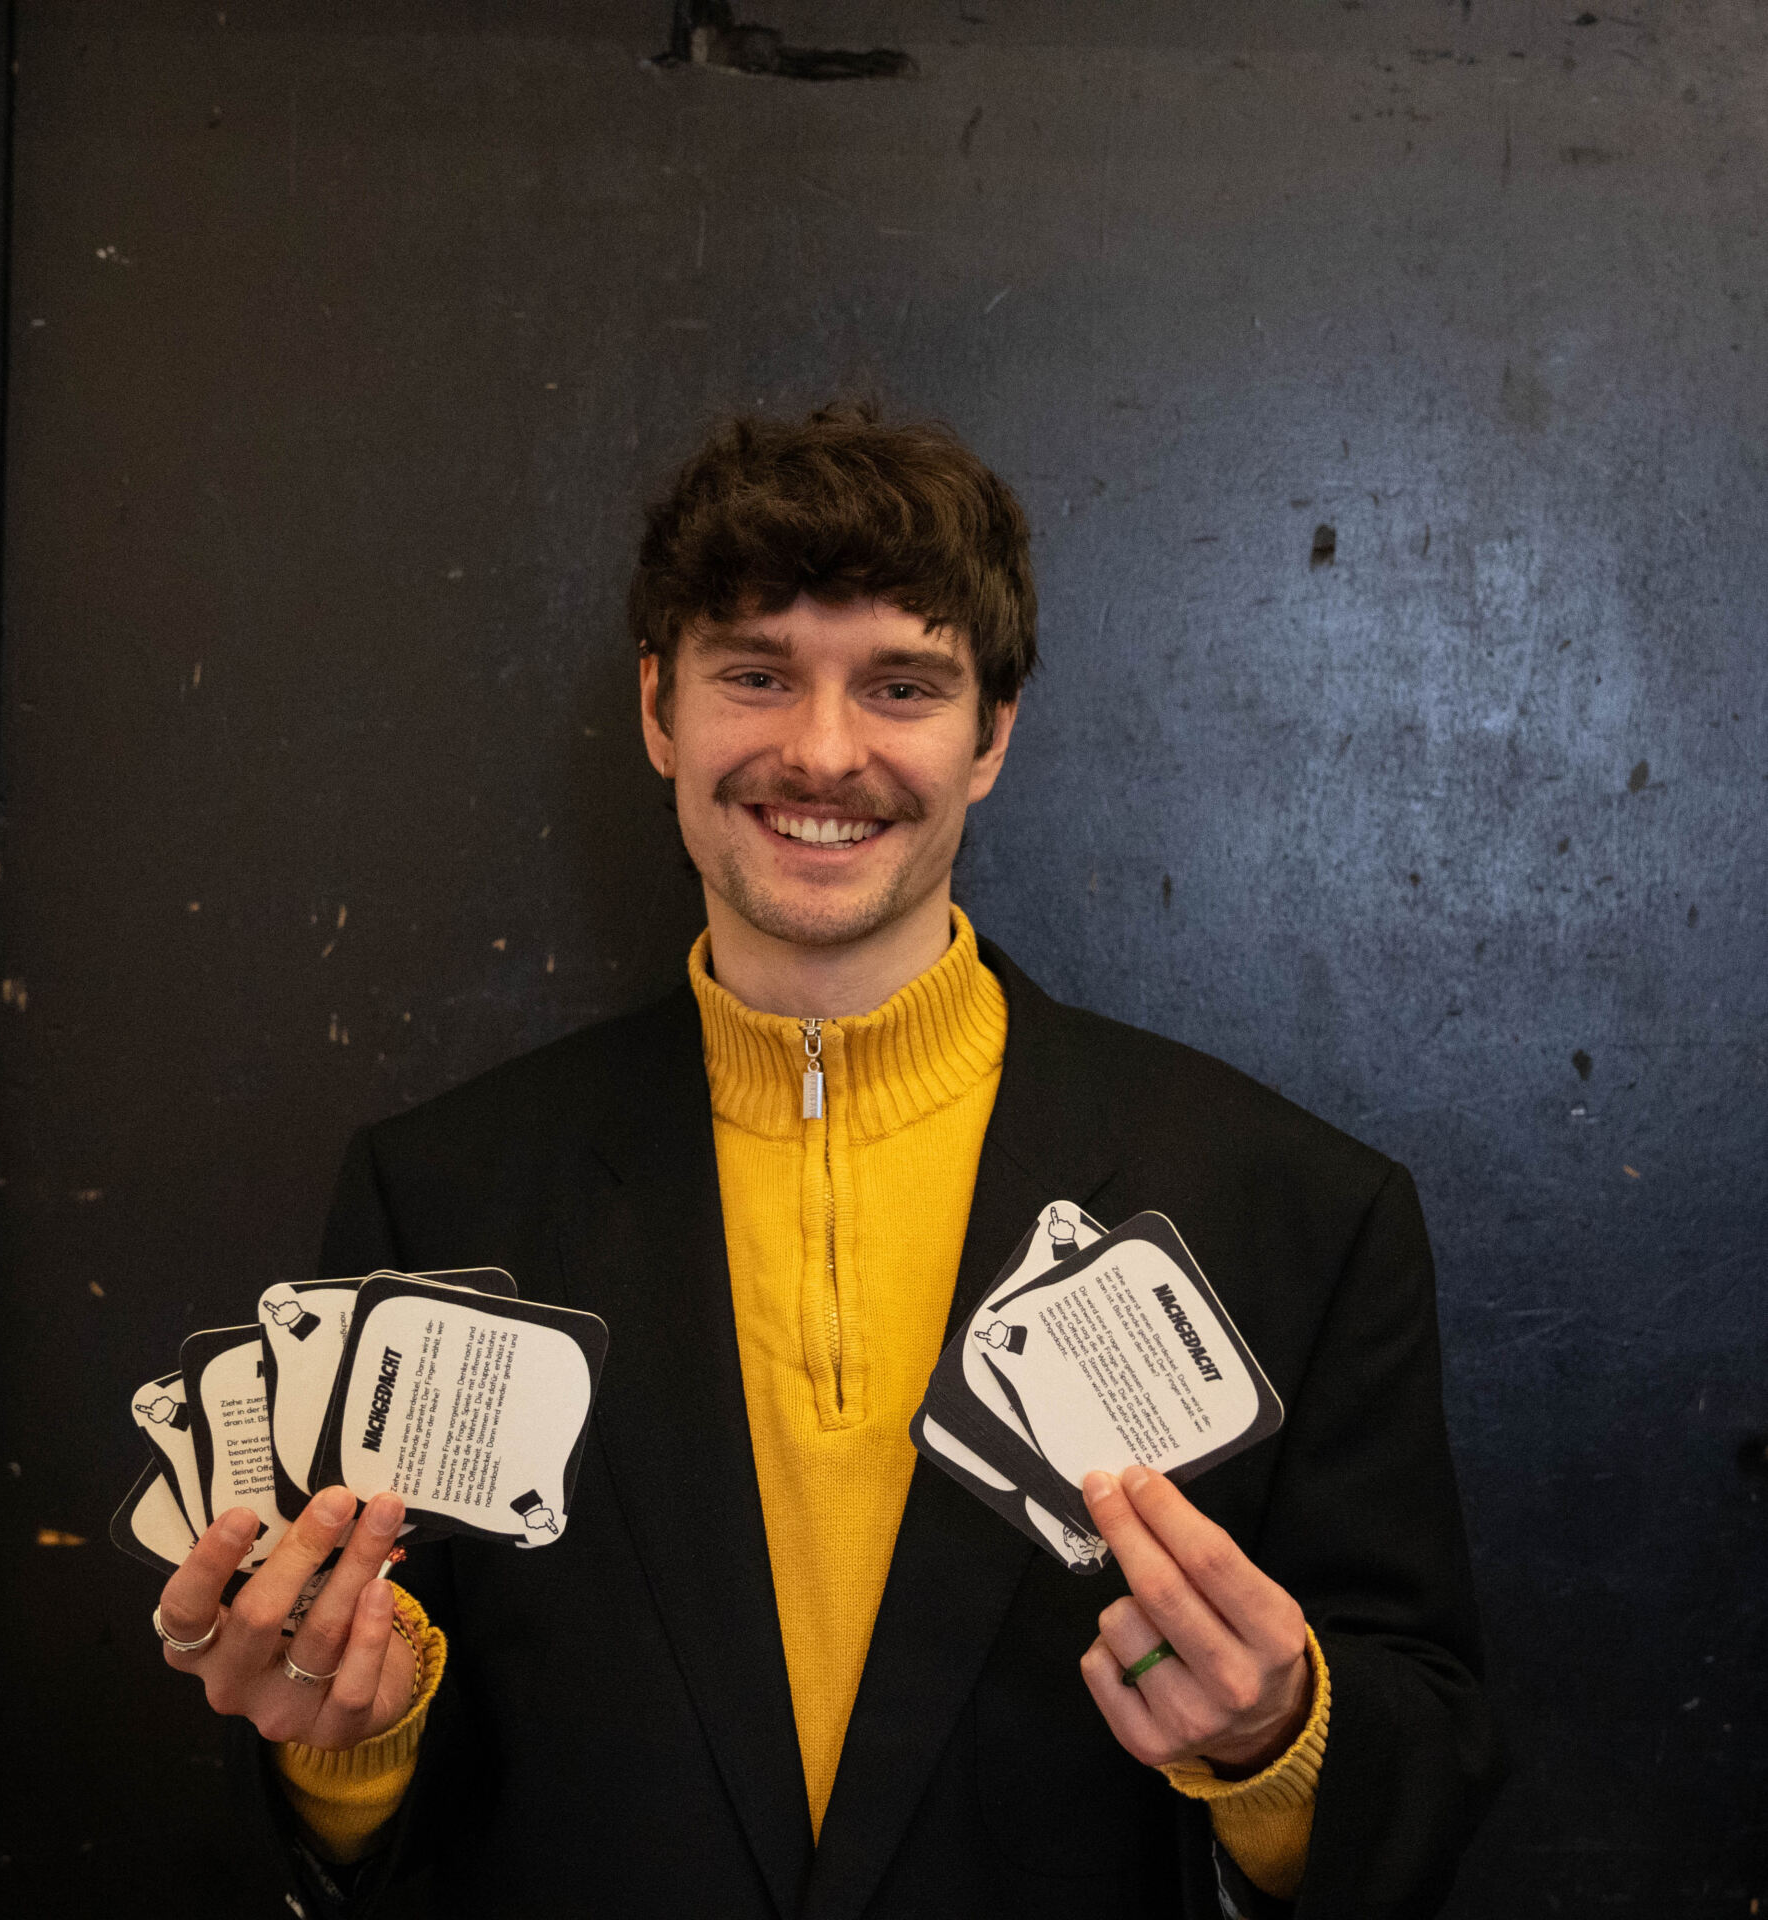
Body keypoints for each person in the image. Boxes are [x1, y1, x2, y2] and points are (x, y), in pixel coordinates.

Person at [151, 403, 1502, 1918]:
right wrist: (349, 1744)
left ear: (990, 735)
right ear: (660, 710)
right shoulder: (442, 1192)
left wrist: (1276, 1738)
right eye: (754, 674)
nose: (822, 750)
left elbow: (1425, 1751)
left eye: (903, 686)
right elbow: (372, 1756)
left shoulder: (1298, 1210)